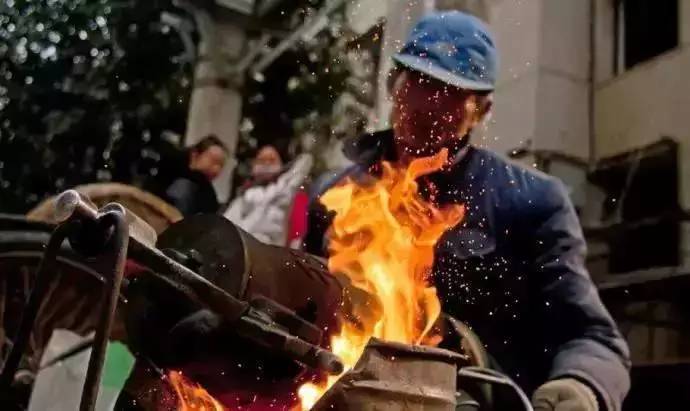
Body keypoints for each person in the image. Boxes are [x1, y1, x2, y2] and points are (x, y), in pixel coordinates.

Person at [306, 11, 630, 411]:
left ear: (482, 109)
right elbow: (302, 302)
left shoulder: (531, 201)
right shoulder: (337, 195)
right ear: (393, 84)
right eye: (420, 83)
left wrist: (582, 385)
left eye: (452, 93)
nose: (429, 106)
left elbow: (591, 336)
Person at [224, 145, 313, 247]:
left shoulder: (286, 190)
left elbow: (306, 161)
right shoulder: (244, 195)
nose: (266, 164)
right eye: (261, 161)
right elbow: (227, 223)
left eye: (272, 160)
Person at [165, 135, 227, 216]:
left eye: (221, 165)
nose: (217, 169)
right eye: (213, 160)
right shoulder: (176, 173)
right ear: (195, 155)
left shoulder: (208, 193)